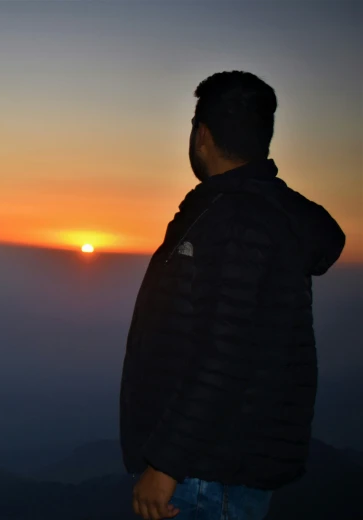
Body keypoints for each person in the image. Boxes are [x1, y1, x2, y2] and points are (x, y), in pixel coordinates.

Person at [118, 70, 346, 520]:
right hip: (217, 469)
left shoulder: (236, 222)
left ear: (201, 134)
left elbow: (224, 355)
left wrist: (165, 465)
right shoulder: (260, 214)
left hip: (204, 478)